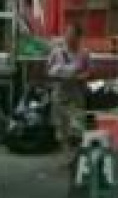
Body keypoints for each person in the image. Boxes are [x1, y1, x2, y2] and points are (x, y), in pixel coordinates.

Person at [47, 22, 90, 160]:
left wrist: (79, 77)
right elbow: (48, 71)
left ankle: (77, 155)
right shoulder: (57, 52)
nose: (68, 37)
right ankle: (66, 155)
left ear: (78, 37)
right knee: (61, 126)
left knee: (77, 126)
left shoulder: (84, 53)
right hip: (60, 93)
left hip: (77, 94)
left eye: (71, 34)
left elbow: (88, 72)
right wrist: (56, 75)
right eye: (66, 33)